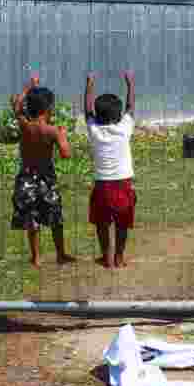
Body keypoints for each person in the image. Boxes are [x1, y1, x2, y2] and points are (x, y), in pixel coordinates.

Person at [9, 73, 76, 268]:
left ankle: (36, 257)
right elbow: (65, 154)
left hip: (26, 177)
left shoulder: (25, 125)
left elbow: (17, 106)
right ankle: (61, 254)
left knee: (31, 218)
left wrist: (29, 87)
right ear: (49, 109)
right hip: (46, 178)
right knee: (55, 217)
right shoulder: (53, 131)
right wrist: (63, 136)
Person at [84, 71, 137, 269]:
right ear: (119, 114)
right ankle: (119, 257)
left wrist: (89, 84)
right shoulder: (124, 128)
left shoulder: (95, 131)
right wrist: (130, 84)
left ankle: (106, 256)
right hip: (123, 184)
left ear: (97, 115)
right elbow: (131, 107)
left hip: (102, 185)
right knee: (122, 223)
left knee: (102, 223)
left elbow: (87, 110)